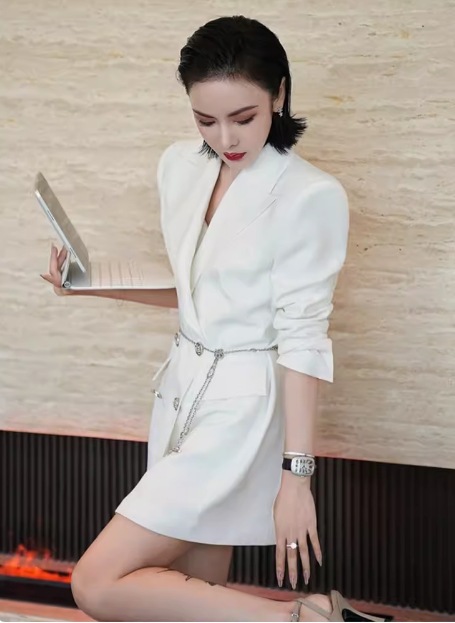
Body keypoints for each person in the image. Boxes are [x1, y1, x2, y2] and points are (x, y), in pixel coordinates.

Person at [41, 15, 384, 623]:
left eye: (243, 117)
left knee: (95, 582)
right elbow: (198, 293)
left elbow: (304, 339)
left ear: (278, 94)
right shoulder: (179, 166)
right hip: (180, 390)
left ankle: (305, 617)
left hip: (242, 411)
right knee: (191, 599)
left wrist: (297, 479)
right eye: (205, 120)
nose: (225, 137)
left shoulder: (310, 196)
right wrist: (88, 284)